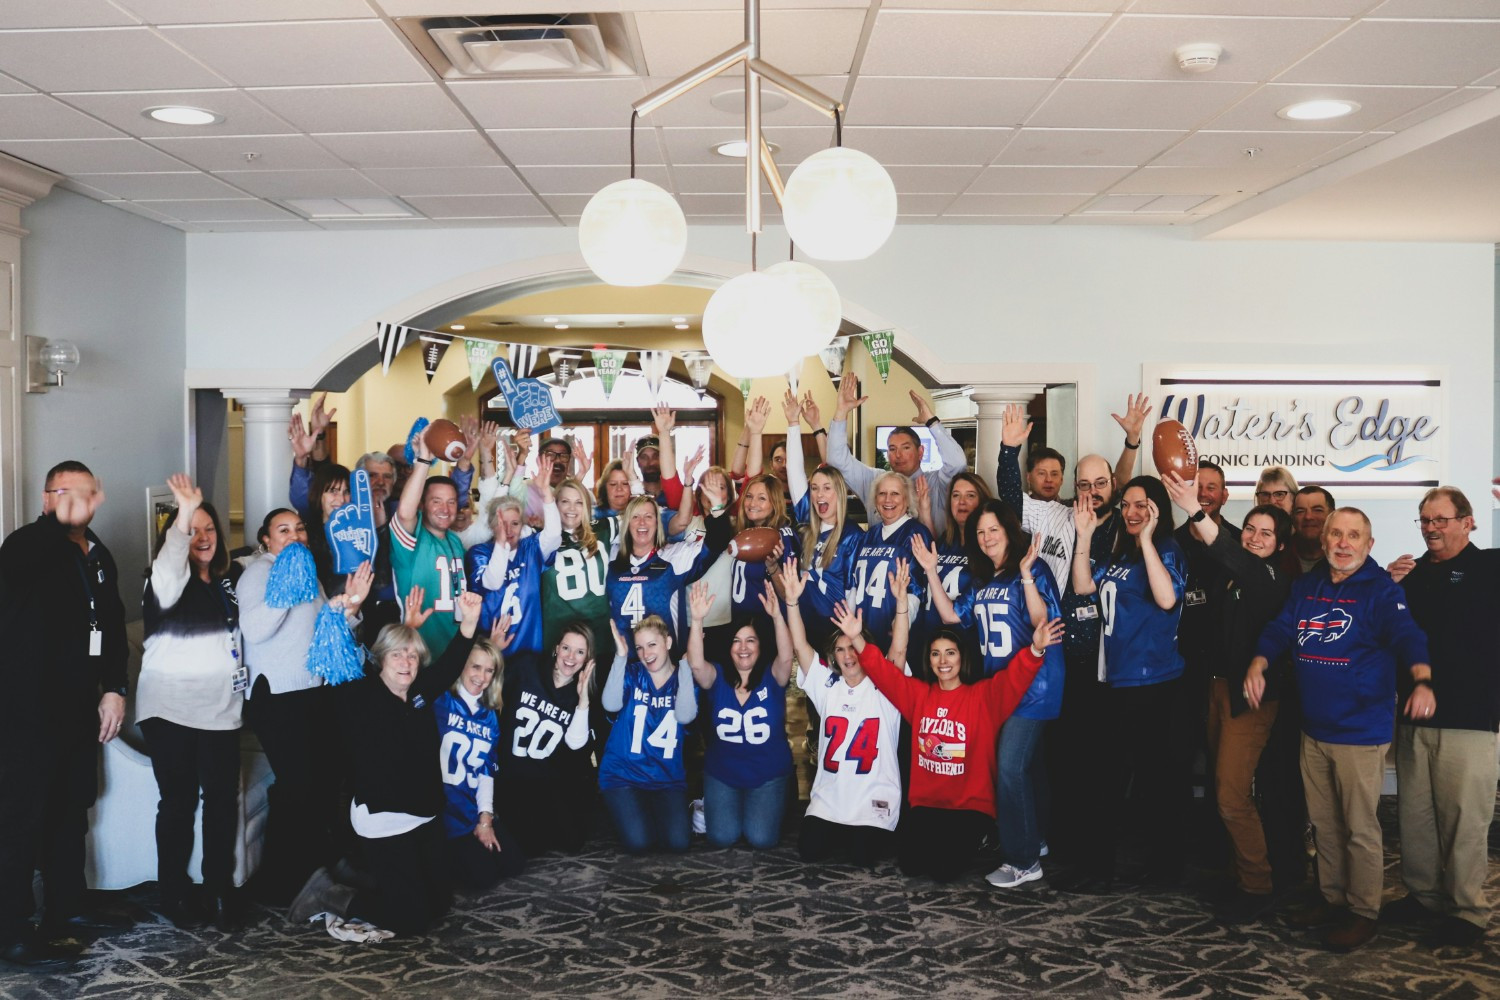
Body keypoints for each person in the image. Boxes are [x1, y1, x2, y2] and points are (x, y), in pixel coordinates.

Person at [1247, 507, 1434, 953]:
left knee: (1359, 829)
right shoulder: (1307, 585)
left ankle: (1363, 912)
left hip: (1359, 732)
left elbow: (1409, 636)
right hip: (1314, 729)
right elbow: (1280, 628)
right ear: (1324, 539)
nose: (1343, 543)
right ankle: (1332, 899)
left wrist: (1423, 679)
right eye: (1336, 534)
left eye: (1354, 535)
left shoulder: (1380, 591)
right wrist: (1259, 660)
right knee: (1324, 825)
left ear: (1368, 545)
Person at [289, 590, 488, 936]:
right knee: (411, 919)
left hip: (424, 816)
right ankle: (329, 893)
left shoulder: (420, 691)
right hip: (385, 820)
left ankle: (356, 871)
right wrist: (344, 616)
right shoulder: (359, 694)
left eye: (413, 655)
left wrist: (469, 623)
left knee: (440, 904)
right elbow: (337, 659)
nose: (406, 662)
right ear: (381, 658)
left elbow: (451, 663)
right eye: (397, 654)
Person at [830, 601, 1064, 883]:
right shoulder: (918, 696)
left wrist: (1036, 650)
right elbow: (885, 673)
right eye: (936, 654)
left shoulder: (982, 698)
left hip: (969, 807)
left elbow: (1014, 678)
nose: (943, 661)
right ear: (928, 660)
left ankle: (986, 834)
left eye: (950, 653)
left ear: (960, 658)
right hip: (928, 804)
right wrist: (856, 639)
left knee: (944, 871)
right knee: (913, 865)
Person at [0, 461, 129, 970]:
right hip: (26, 711)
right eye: (67, 495)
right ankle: (10, 929)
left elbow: (113, 626)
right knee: (21, 818)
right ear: (46, 498)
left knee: (72, 808)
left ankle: (65, 911)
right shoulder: (25, 546)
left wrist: (115, 689)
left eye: (87, 494)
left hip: (79, 708)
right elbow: (21, 566)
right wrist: (57, 523)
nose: (79, 504)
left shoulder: (98, 554)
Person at [1162, 473, 1293, 924]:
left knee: (1232, 796)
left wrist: (1192, 509)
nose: (1256, 538)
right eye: (1251, 529)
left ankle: (1259, 885)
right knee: (1224, 789)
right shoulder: (1237, 573)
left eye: (1266, 533)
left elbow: (1234, 558)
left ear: (1280, 544)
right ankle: (1242, 875)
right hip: (1219, 688)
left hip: (1250, 700)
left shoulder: (1271, 575)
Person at [918, 503, 1063, 889]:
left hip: (1034, 686)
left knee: (1011, 767)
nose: (987, 538)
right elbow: (951, 616)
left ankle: (1023, 860)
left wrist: (1028, 576)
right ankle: (1037, 840)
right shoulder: (982, 578)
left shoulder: (1031, 568)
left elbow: (1041, 623)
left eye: (993, 529)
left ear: (1008, 529)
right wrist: (932, 572)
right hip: (1002, 688)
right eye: (980, 532)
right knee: (1030, 770)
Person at [1384, 487, 1498, 949]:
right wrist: (1386, 585)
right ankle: (1424, 895)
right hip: (1413, 714)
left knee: (1464, 820)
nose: (1432, 528)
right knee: (1416, 816)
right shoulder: (1410, 576)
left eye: (1442, 519)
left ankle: (1468, 911)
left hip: (1470, 718)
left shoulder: (1490, 567)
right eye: (1425, 520)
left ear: (1468, 522)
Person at [239, 508, 371, 903]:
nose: (294, 536)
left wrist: (351, 607)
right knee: (299, 786)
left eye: (299, 529)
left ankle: (318, 865)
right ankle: (286, 881)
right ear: (266, 540)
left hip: (310, 690)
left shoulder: (306, 570)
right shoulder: (259, 573)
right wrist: (287, 589)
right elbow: (255, 630)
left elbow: (323, 631)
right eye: (283, 530)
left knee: (321, 780)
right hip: (276, 695)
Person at [1063, 475, 1188, 892]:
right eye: (1128, 506)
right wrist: (1083, 536)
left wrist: (1150, 540)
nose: (1132, 513)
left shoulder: (1166, 548)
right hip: (1116, 681)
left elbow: (1167, 598)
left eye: (1142, 506)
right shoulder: (1119, 551)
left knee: (1156, 783)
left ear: (1157, 510)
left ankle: (1165, 870)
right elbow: (1084, 587)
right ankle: (1097, 868)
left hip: (1154, 683)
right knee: (1104, 780)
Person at [137, 474, 243, 931]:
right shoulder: (163, 582)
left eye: (210, 530)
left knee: (221, 802)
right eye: (192, 529)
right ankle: (174, 894)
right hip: (172, 710)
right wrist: (184, 511)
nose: (202, 537)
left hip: (222, 710)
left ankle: (218, 890)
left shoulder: (227, 582)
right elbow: (170, 561)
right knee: (178, 804)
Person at [779, 561, 907, 867]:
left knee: (861, 857)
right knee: (810, 850)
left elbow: (899, 651)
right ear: (832, 656)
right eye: (840, 649)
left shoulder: (884, 687)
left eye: (853, 647)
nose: (849, 655)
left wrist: (901, 602)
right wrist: (792, 601)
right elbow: (800, 645)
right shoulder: (828, 685)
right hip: (831, 797)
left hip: (873, 797)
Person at [686, 582, 795, 849]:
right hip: (723, 774)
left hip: (767, 774)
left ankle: (768, 804)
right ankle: (707, 804)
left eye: (750, 640)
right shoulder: (719, 676)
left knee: (761, 839)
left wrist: (778, 616)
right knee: (722, 837)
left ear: (760, 645)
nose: (743, 648)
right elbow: (696, 664)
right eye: (736, 641)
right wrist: (697, 620)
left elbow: (787, 655)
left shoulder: (773, 676)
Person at [495, 623, 598, 856]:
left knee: (570, 841)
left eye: (580, 652)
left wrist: (583, 702)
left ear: (588, 659)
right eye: (566, 648)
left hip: (546, 784)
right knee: (522, 846)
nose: (570, 657)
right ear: (556, 649)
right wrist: (493, 650)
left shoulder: (581, 697)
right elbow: (485, 685)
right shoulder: (527, 667)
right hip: (510, 777)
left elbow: (576, 753)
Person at [598, 617, 699, 853]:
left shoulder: (683, 680)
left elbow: (685, 716)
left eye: (652, 645)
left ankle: (651, 811)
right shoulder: (632, 674)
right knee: (639, 843)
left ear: (668, 642)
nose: (646, 653)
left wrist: (685, 666)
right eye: (640, 647)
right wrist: (621, 656)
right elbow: (610, 704)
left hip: (666, 778)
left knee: (678, 844)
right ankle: (635, 810)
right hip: (623, 775)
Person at [434, 637, 527, 891]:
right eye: (476, 667)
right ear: (462, 665)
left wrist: (484, 819)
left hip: (470, 805)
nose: (482, 677)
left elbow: (486, 771)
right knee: (481, 878)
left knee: (513, 864)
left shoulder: (489, 716)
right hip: (443, 809)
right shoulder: (440, 701)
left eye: (489, 670)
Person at [826, 377, 968, 536]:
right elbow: (836, 461)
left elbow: (958, 464)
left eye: (906, 448)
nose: (898, 455)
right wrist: (841, 412)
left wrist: (932, 422)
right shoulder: (874, 480)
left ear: (920, 452)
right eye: (892, 449)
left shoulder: (936, 482)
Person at [784, 392, 862, 652]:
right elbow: (794, 473)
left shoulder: (852, 536)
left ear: (838, 493)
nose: (819, 495)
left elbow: (853, 589)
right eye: (815, 488)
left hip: (838, 634)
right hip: (807, 629)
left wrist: (848, 639)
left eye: (827, 488)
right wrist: (793, 424)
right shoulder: (809, 522)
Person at [608, 489, 731, 651]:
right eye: (635, 517)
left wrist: (717, 507)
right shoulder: (610, 555)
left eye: (649, 516)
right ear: (627, 523)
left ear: (658, 523)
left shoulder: (674, 557)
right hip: (623, 660)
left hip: (667, 662)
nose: (642, 522)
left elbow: (716, 543)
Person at [466, 451, 561, 654]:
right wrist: (501, 544)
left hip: (529, 649)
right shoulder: (479, 553)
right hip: (491, 651)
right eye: (502, 524)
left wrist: (546, 494)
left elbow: (553, 537)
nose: (508, 530)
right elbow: (493, 582)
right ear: (492, 524)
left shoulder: (530, 548)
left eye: (515, 524)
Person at [390, 431, 468, 655]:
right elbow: (405, 513)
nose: (445, 509)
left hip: (454, 650)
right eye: (437, 501)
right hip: (421, 653)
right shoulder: (412, 540)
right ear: (422, 505)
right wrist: (423, 460)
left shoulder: (455, 540)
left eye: (451, 502)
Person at [849, 471, 932, 652]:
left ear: (908, 499)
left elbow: (917, 588)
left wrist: (902, 623)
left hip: (896, 633)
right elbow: (855, 583)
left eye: (895, 494)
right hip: (865, 631)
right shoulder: (869, 536)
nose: (888, 500)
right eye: (882, 493)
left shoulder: (916, 534)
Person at [913, 472, 989, 651]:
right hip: (930, 641)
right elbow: (931, 556)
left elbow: (957, 615)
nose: (962, 501)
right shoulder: (946, 541)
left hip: (962, 647)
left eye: (970, 495)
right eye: (956, 496)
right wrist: (925, 510)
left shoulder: (986, 548)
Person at [540, 478, 612, 658]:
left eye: (579, 502)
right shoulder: (542, 540)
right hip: (560, 639)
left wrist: (632, 478)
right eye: (565, 502)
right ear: (554, 504)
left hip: (599, 637)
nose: (572, 509)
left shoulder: (603, 529)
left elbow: (638, 516)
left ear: (587, 506)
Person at [1291, 486, 1335, 574]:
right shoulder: (1279, 557)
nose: (1308, 517)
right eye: (1300, 511)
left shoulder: (1347, 555)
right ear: (1293, 517)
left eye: (1317, 510)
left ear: (1333, 515)